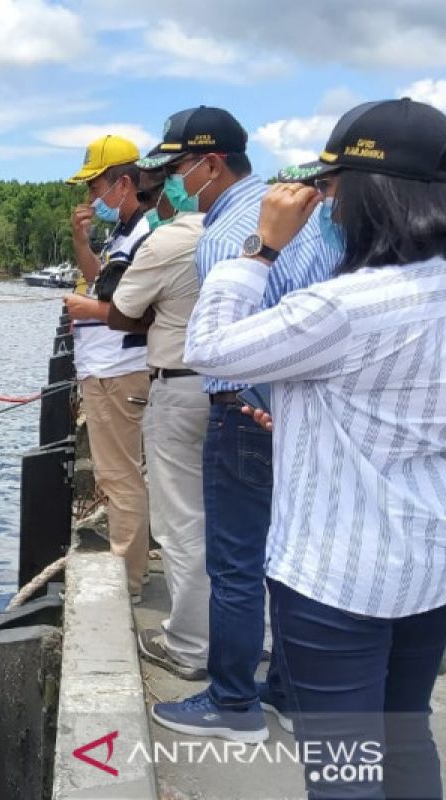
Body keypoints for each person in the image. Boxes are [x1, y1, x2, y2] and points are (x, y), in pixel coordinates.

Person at [184, 97, 446, 799]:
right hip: (428, 565)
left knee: (344, 766)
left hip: (338, 577)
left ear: (369, 195)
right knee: (405, 735)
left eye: (330, 188)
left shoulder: (346, 305)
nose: (325, 202)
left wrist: (261, 247)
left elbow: (210, 349)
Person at [144, 106, 340, 743]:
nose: (173, 181)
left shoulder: (232, 236)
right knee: (287, 560)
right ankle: (284, 690)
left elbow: (217, 343)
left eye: (178, 168)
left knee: (236, 564)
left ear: (211, 164)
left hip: (244, 411)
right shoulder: (313, 217)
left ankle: (232, 703)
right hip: (299, 413)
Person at [106, 161, 212, 680]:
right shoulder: (247, 231)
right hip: (239, 389)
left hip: (181, 380)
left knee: (182, 522)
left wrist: (161, 316)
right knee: (237, 519)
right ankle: (248, 637)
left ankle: (189, 644)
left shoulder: (169, 241)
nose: (162, 194)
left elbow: (119, 310)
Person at [60, 134, 151, 602]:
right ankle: (128, 570)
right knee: (116, 475)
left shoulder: (144, 234)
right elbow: (102, 281)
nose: (93, 198)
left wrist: (86, 309)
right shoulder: (123, 234)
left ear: (123, 183)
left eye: (97, 187)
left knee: (119, 476)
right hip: (105, 367)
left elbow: (128, 308)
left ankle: (128, 583)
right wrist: (81, 239)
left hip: (119, 369)